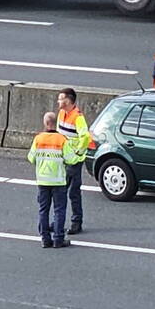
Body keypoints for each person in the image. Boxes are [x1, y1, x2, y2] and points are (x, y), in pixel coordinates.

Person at [28, 112, 78, 248]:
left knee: (43, 210)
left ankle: (45, 239)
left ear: (45, 123)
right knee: (59, 210)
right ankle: (58, 239)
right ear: (56, 123)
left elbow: (31, 158)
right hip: (58, 181)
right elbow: (71, 159)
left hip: (43, 181)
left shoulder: (38, 139)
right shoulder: (61, 140)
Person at [56, 88, 90, 234]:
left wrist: (78, 152)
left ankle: (76, 222)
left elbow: (86, 137)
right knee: (61, 191)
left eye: (60, 98)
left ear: (68, 101)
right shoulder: (62, 113)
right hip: (63, 159)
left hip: (74, 161)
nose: (58, 101)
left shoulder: (78, 117)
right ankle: (59, 221)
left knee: (73, 192)